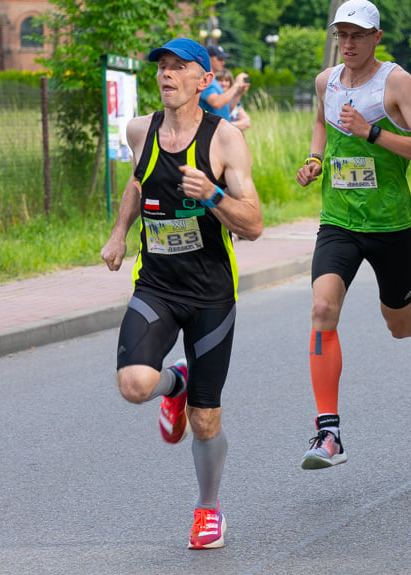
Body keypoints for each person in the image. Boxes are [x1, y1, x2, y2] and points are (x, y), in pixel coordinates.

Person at [100, 37, 263, 549]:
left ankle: (208, 508)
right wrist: (119, 233)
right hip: (157, 285)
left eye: (179, 68)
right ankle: (176, 383)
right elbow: (136, 180)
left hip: (212, 293)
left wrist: (212, 195)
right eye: (162, 68)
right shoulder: (139, 130)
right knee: (133, 384)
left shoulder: (225, 141)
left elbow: (254, 223)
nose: (166, 75)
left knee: (206, 417)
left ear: (203, 80)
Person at [294, 0, 411, 470]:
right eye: (341, 35)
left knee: (398, 324)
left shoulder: (397, 82)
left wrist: (372, 134)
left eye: (358, 35)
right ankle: (329, 434)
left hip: (389, 224)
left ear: (376, 38)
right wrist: (314, 162)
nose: (348, 43)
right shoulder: (326, 81)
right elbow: (321, 132)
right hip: (339, 220)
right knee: (323, 308)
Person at [199, 44, 249, 122]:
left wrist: (238, 93)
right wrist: (236, 85)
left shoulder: (214, 81)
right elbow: (216, 103)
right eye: (219, 59)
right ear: (209, 59)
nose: (223, 63)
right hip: (211, 131)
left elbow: (225, 109)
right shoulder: (205, 80)